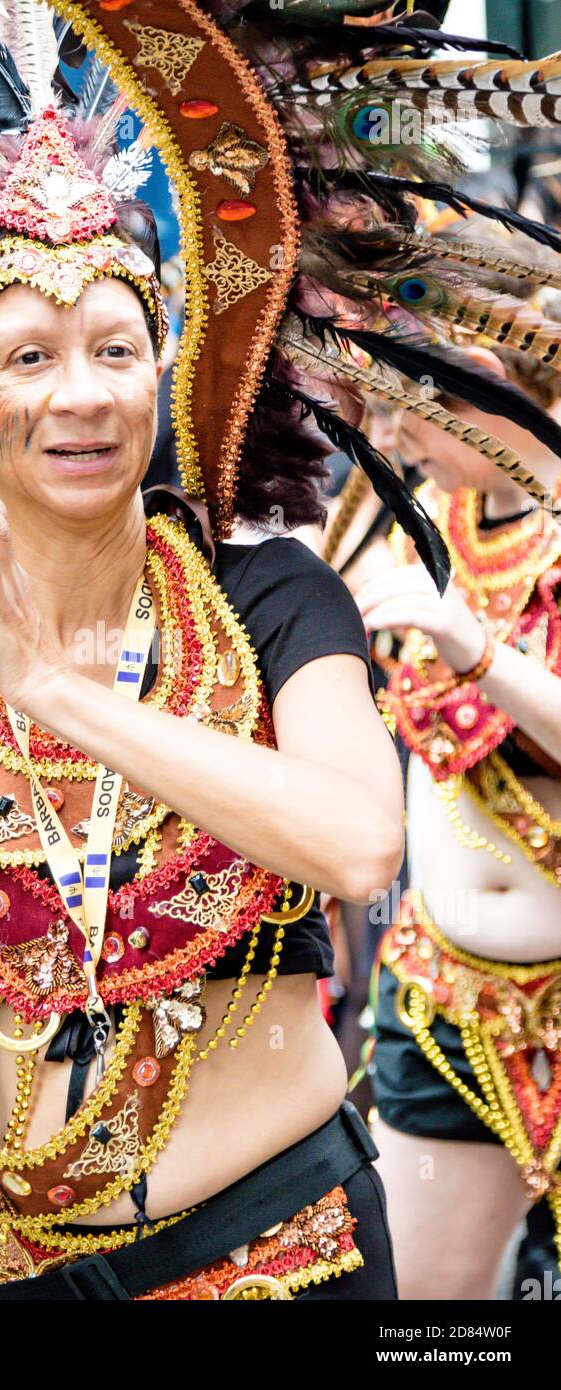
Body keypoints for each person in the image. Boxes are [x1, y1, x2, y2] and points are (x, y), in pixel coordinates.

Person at [0, 0, 561, 1302]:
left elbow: (353, 842)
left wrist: (61, 693)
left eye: (115, 349)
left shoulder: (265, 596)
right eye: (29, 356)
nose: (80, 392)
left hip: (263, 1248)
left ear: (160, 367)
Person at [359, 343, 561, 1299]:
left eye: (402, 410)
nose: (389, 439)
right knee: (429, 1319)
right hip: (441, 998)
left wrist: (477, 649)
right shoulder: (423, 526)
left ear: (483, 376)